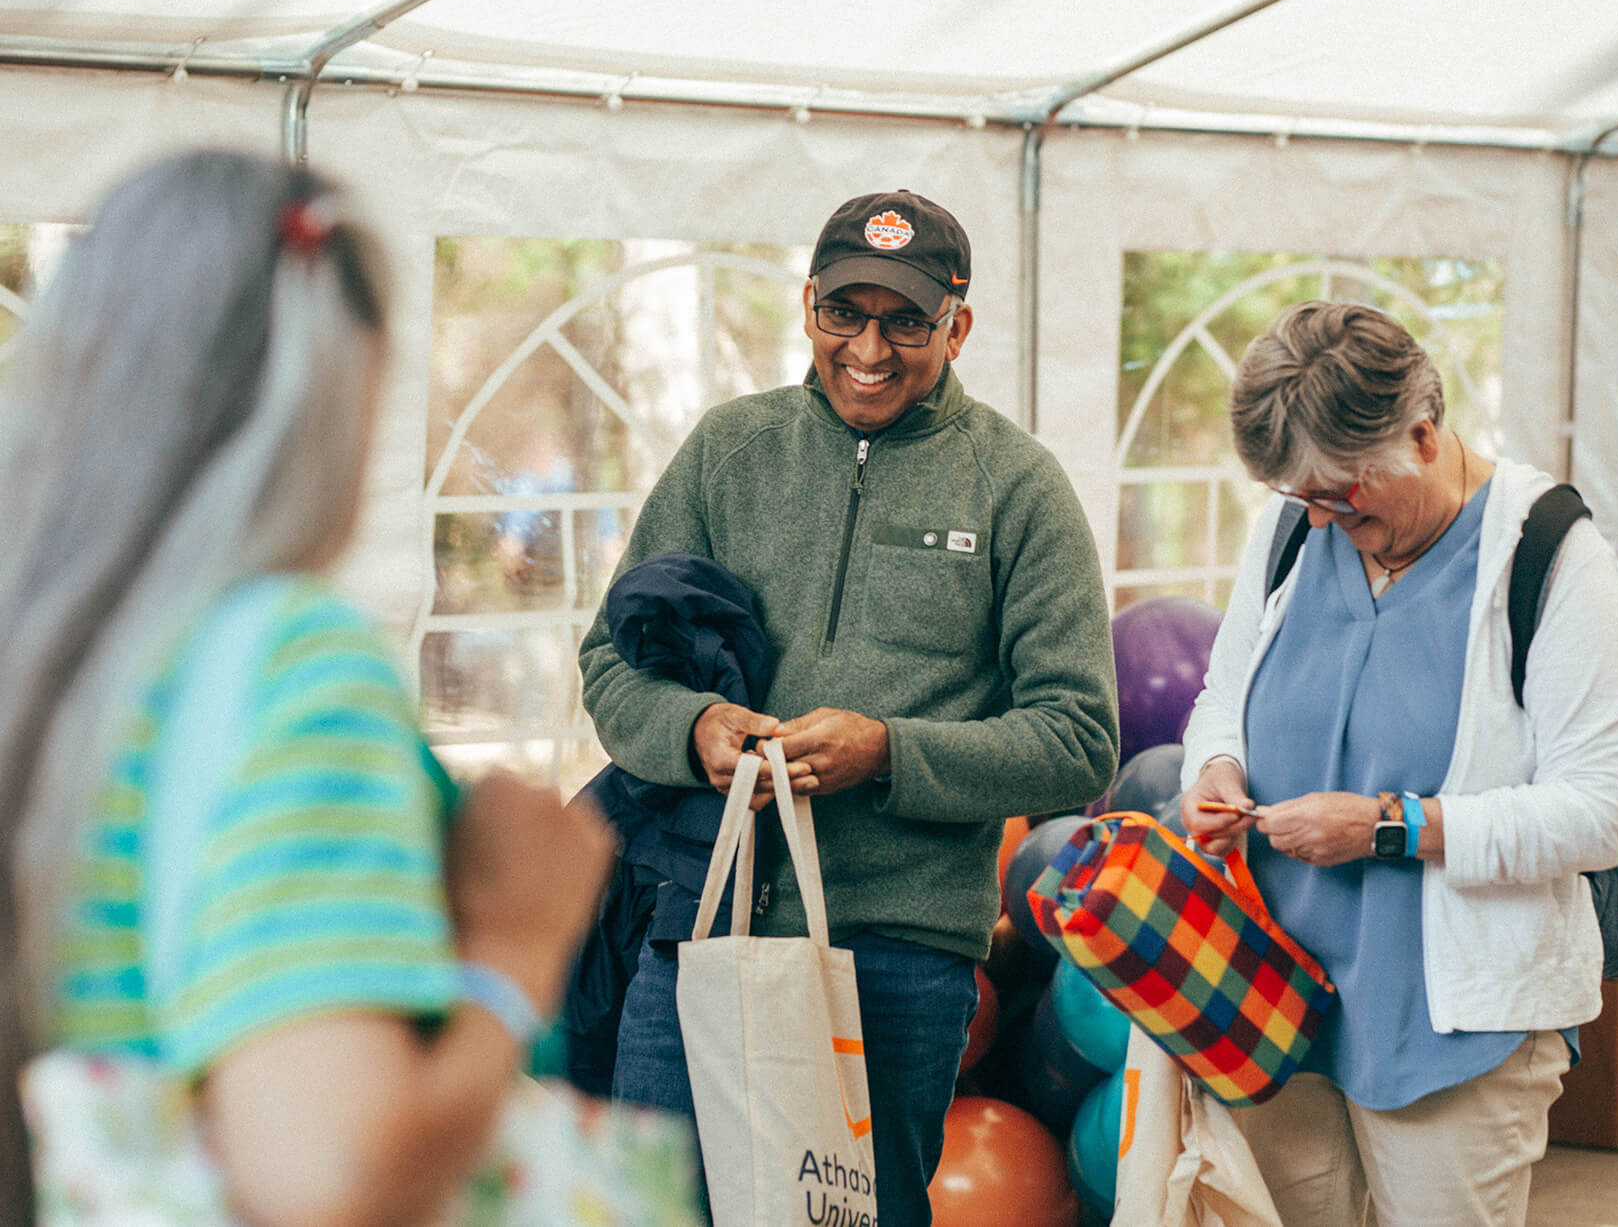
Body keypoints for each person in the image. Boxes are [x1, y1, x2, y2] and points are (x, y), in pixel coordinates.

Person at [0, 150, 614, 1227]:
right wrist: (515, 939)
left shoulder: (49, 663)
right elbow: (331, 1177)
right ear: (331, 401)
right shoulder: (288, 655)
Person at [580, 189, 1119, 1227]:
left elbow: (1079, 739)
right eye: (845, 313)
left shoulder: (1017, 489)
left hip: (899, 956)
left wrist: (892, 753)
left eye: (905, 320)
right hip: (698, 928)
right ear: (808, 307)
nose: (869, 347)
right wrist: (693, 732)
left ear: (958, 326)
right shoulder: (728, 452)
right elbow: (613, 661)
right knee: (644, 1210)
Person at [1177, 301, 1618, 1227]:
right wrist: (1215, 767)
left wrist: (1391, 826)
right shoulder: (1295, 529)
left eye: (1342, 493)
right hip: (1274, 1003)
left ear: (1424, 436)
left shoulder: (1550, 557)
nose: (1319, 518)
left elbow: (1601, 810)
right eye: (1299, 497)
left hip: (1452, 1029)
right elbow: (1220, 697)